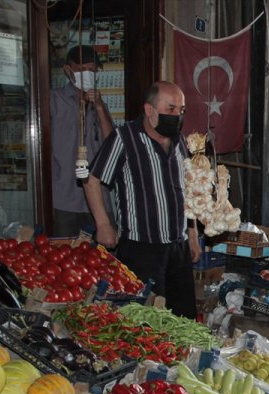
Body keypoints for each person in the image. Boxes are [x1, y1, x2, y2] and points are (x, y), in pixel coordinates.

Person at [84, 81, 202, 320]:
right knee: (146, 321)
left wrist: (192, 233)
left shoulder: (180, 142)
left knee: (184, 318)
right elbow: (92, 179)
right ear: (149, 110)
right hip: (141, 249)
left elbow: (189, 190)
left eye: (181, 110)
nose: (177, 115)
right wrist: (103, 224)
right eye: (170, 109)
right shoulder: (124, 138)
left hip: (177, 248)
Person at [50, 45, 114, 237]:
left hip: (99, 198)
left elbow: (112, 144)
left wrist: (100, 107)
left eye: (92, 70)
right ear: (68, 70)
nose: (87, 74)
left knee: (104, 256)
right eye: (81, 70)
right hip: (63, 197)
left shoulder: (99, 105)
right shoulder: (54, 100)